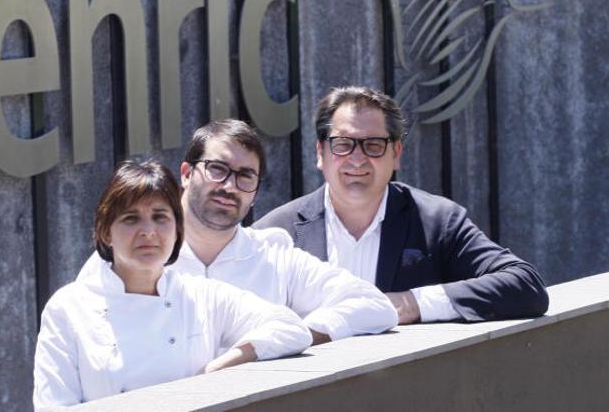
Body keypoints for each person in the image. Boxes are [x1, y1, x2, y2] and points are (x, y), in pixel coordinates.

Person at [80, 120, 398, 344]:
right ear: (187, 173)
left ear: (256, 192)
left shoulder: (274, 258)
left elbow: (373, 306)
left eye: (245, 176)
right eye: (218, 169)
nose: (229, 186)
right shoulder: (128, 256)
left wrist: (293, 336)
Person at [254, 86, 549, 324]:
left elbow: (525, 286)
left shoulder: (437, 221)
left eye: (373, 145)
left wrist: (412, 303)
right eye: (343, 144)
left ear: (396, 154)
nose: (357, 159)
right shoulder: (278, 233)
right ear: (321, 153)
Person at [33, 161, 311, 408]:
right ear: (105, 232)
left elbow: (291, 328)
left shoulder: (201, 296)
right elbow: (53, 406)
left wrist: (222, 365)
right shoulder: (68, 308)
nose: (148, 232)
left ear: (177, 230)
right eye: (131, 218)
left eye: (160, 217)